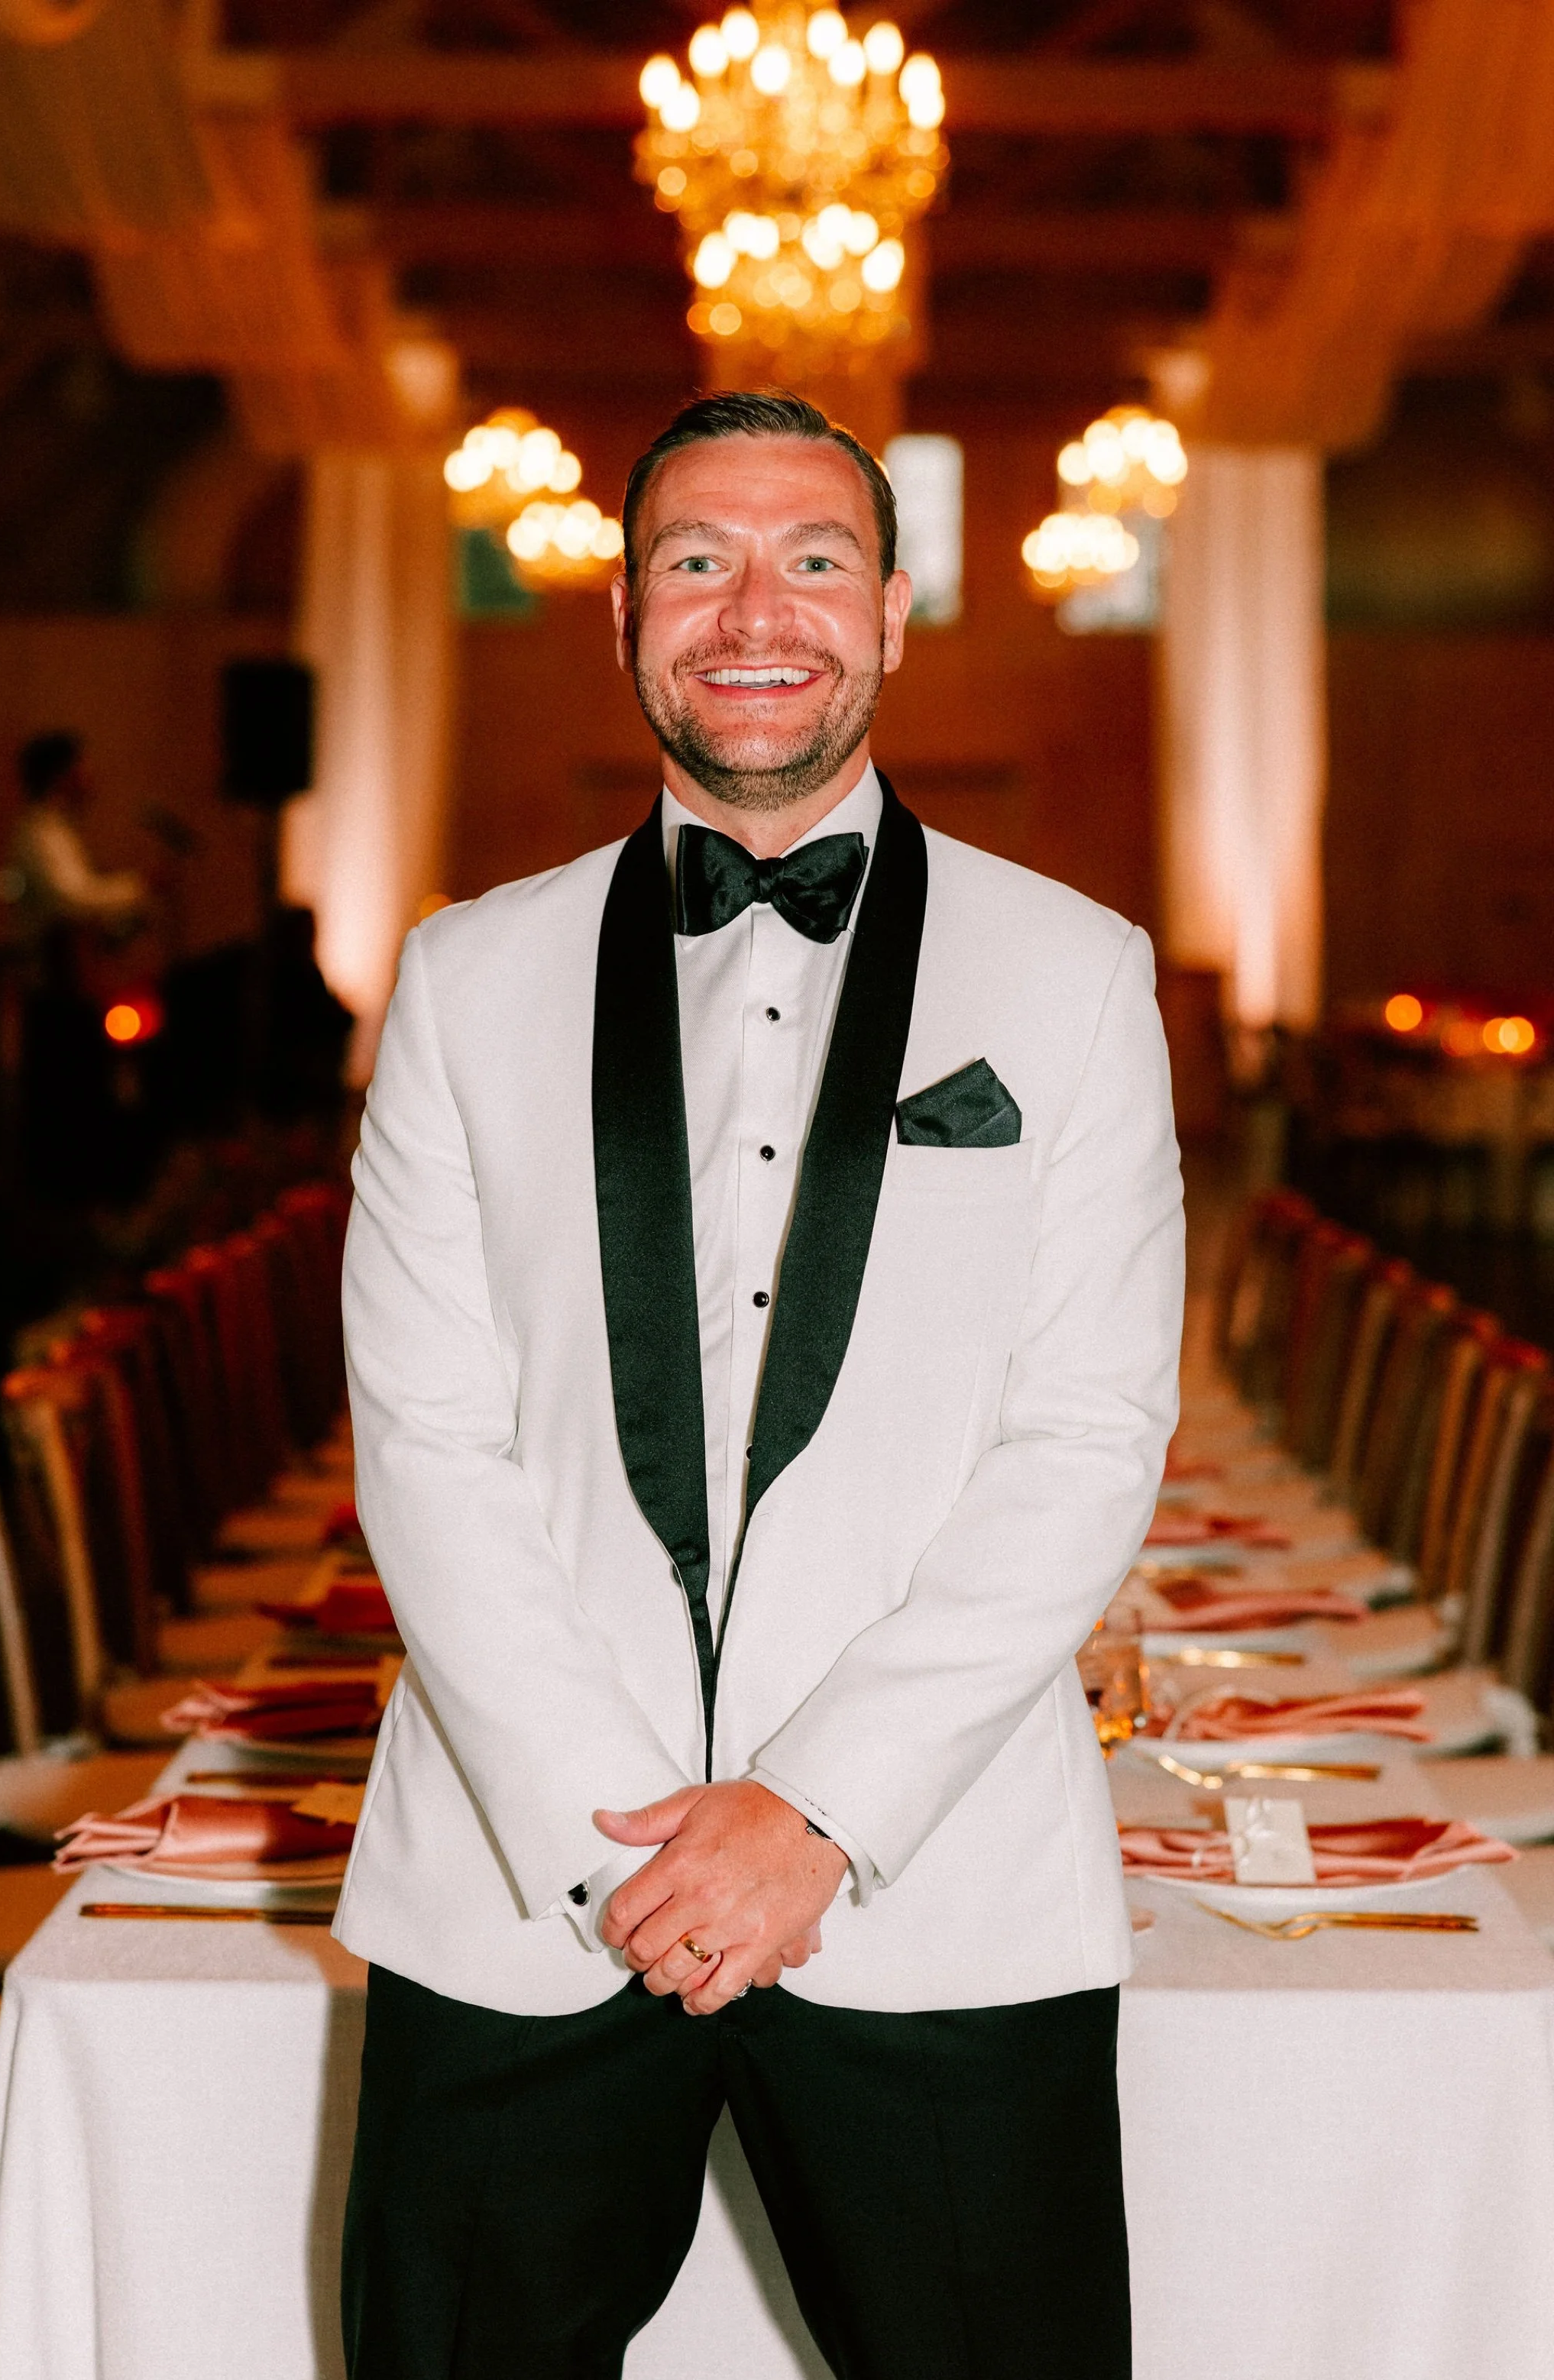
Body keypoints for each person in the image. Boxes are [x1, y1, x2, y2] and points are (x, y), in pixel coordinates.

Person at [337, 390, 1184, 2379]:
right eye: (698, 561)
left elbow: (1089, 1436)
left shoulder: (1073, 974)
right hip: (524, 1886)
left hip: (942, 1876)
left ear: (893, 610)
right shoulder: (464, 979)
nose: (754, 611)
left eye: (812, 559)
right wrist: (614, 1841)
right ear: (625, 607)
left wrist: (816, 1811)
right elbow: (427, 1441)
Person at [0, 732, 147, 959]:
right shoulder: (41, 835)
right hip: (54, 976)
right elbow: (71, 902)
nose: (90, 777)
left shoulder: (55, 830)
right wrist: (139, 887)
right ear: (60, 776)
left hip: (67, 968)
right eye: (82, 767)